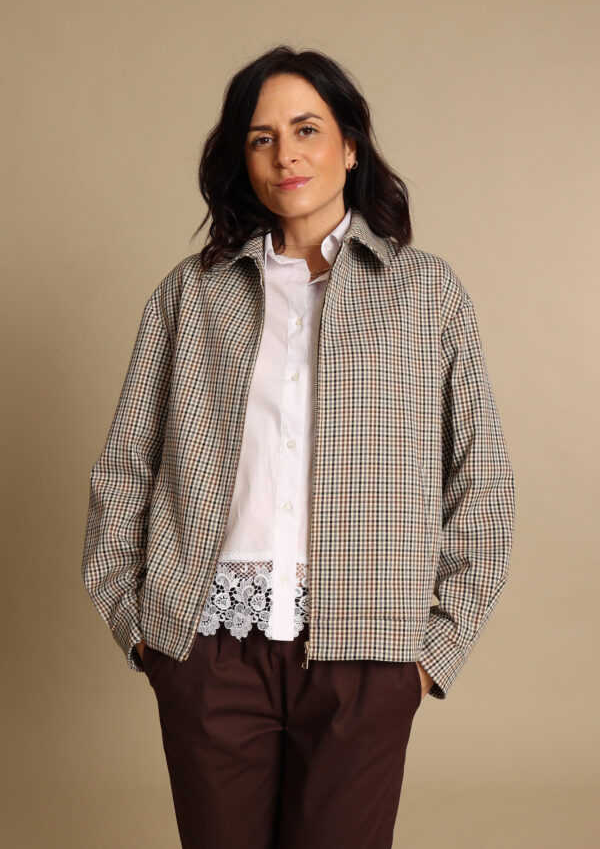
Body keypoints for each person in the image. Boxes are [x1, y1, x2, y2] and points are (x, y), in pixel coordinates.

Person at [82, 44, 515, 849]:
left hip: (368, 655)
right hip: (208, 652)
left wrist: (432, 653)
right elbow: (124, 467)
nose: (286, 154)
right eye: (262, 138)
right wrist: (141, 630)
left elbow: (482, 482)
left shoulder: (428, 294)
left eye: (307, 129)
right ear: (243, 161)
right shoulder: (190, 294)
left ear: (350, 146)